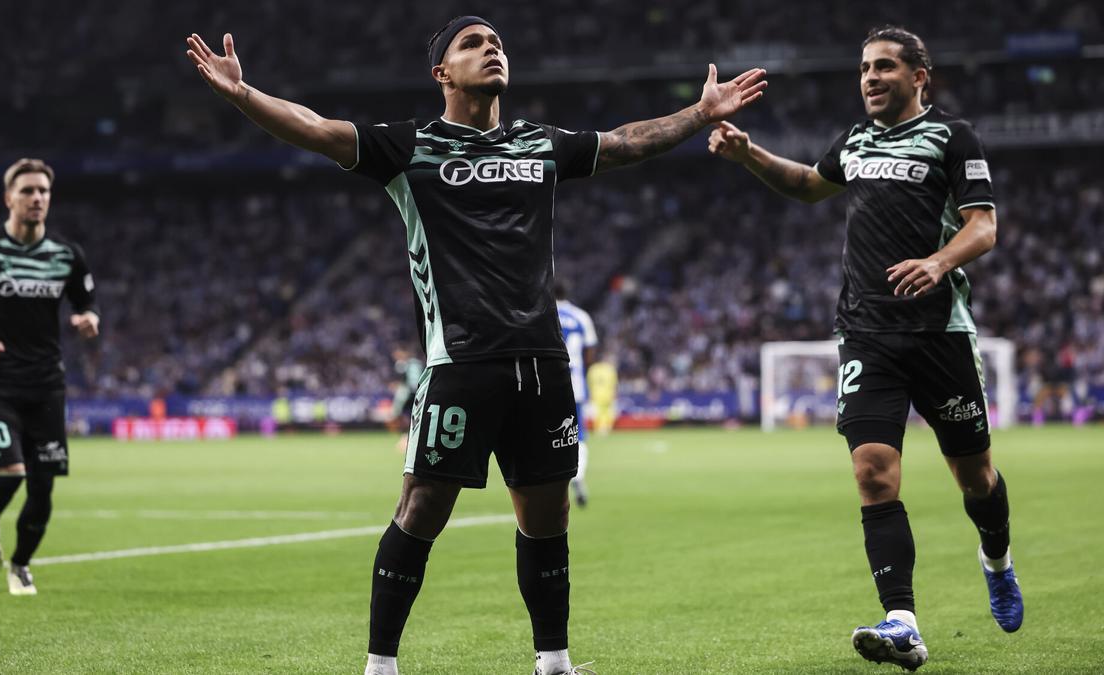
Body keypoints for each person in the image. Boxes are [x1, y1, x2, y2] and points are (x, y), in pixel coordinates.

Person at [187, 17, 765, 675]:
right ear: (442, 73)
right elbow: (318, 130)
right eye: (473, 43)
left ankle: (553, 660)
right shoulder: (408, 146)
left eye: (497, 43)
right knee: (421, 508)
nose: (492, 50)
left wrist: (700, 111)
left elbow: (628, 143)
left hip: (543, 363)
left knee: (547, 518)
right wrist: (244, 96)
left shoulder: (541, 144)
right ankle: (380, 664)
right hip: (460, 362)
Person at [708, 26, 1020, 670]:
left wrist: (937, 263)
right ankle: (902, 621)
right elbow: (806, 184)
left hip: (941, 335)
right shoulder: (854, 140)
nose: (870, 78)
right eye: (863, 69)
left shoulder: (952, 137)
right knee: (873, 472)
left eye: (883, 67)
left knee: (976, 477)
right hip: (866, 333)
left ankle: (997, 558)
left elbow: (983, 226)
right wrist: (748, 153)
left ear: (918, 77)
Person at [0, 158, 99, 596]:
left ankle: (21, 564)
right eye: (28, 191)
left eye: (43, 192)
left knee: (43, 489)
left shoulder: (67, 255)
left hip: (47, 383)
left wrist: (88, 318)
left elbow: (87, 300)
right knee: (11, 472)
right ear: (9, 198)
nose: (37, 198)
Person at [553, 281, 597, 508]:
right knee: (578, 436)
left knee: (544, 432)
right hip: (575, 385)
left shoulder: (544, 313)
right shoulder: (581, 317)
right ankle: (578, 478)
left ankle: (547, 481)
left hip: (547, 384)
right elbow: (589, 353)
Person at [388, 347, 426, 453]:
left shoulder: (405, 365)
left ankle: (406, 438)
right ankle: (409, 437)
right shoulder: (417, 363)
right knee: (412, 415)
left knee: (401, 414)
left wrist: (397, 385)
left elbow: (405, 381)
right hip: (420, 392)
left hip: (410, 393)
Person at [586, 358, 618, 436]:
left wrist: (589, 394)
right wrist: (614, 393)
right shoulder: (610, 369)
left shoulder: (592, 369)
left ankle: (599, 429)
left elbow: (588, 383)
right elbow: (614, 383)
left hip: (596, 394)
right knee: (607, 413)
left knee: (598, 413)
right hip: (608, 394)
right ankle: (605, 428)